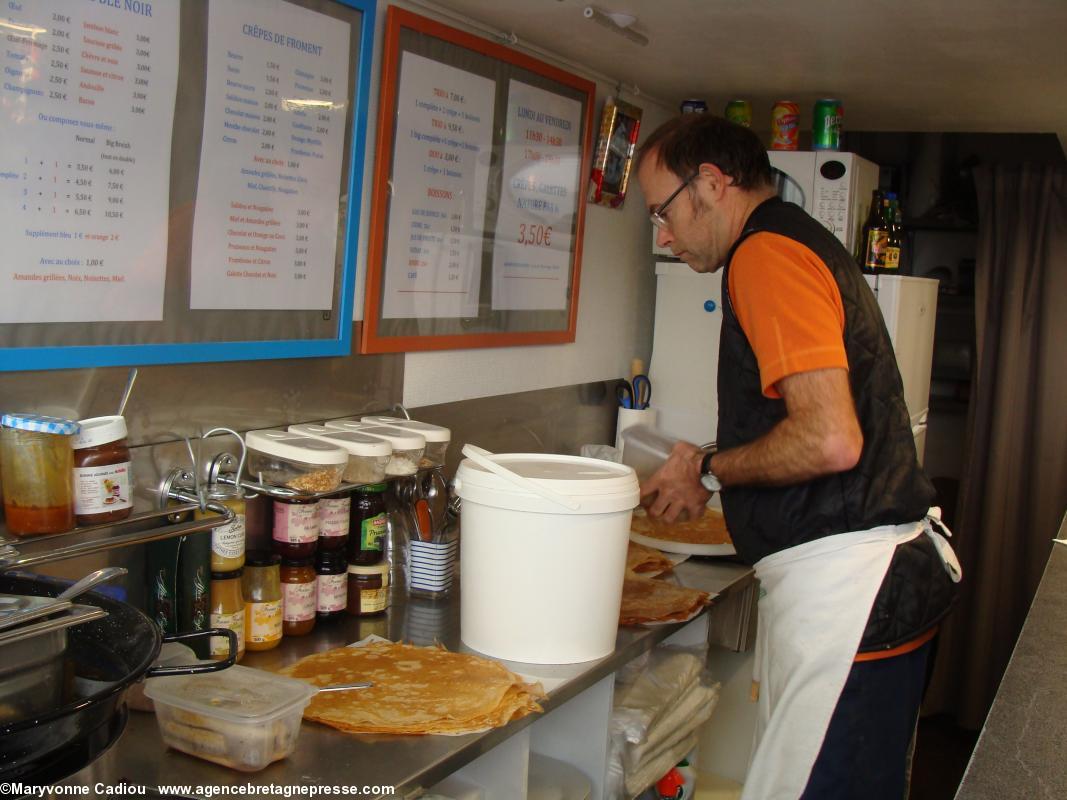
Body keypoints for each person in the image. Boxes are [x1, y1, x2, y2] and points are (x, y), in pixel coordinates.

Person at [634, 114, 960, 800]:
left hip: (848, 588)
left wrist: (707, 469)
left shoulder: (766, 255)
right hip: (870, 578)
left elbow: (829, 439)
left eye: (662, 211)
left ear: (711, 184)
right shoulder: (792, 241)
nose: (662, 233)